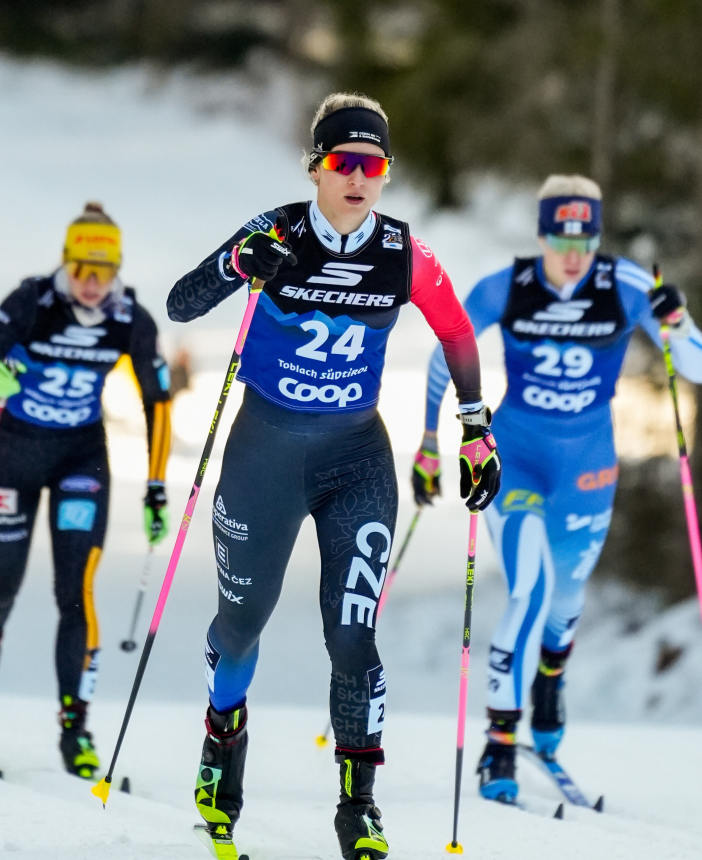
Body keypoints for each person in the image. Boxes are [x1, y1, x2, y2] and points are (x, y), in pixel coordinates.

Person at [167, 92, 500, 860]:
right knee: (240, 629)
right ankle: (223, 739)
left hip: (356, 460)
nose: (358, 178)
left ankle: (360, 806)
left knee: (354, 636)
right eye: (344, 163)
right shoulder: (274, 230)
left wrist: (476, 429)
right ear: (317, 167)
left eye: (373, 165)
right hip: (265, 453)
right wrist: (236, 264)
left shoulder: (404, 253)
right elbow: (183, 304)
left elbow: (454, 328)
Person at [417, 175, 702, 803]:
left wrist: (680, 322)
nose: (573, 252)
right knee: (530, 587)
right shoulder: (509, 287)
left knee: (565, 599)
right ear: (543, 233)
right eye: (561, 236)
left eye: (585, 237)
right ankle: (500, 743)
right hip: (517, 455)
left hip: (588, 465)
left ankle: (550, 678)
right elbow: (448, 351)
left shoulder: (627, 286)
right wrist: (428, 438)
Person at [0, 202, 174, 780]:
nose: (92, 285)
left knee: (77, 593)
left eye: (103, 272)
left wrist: (155, 486)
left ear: (117, 269)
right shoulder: (34, 301)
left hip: (79, 457)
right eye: (82, 271)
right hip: (15, 457)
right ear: (66, 263)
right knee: (4, 583)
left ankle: (76, 728)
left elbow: (158, 401)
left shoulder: (130, 317)